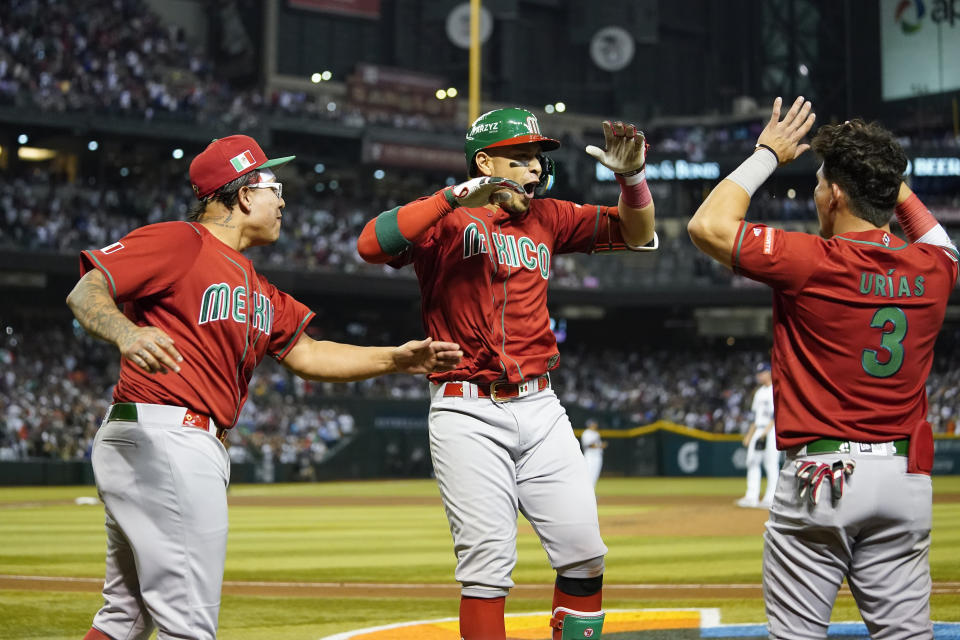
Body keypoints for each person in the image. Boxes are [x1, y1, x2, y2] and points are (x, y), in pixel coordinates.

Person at [67, 134, 463, 640]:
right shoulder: (181, 240)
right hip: (167, 436)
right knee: (188, 625)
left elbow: (310, 354)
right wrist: (126, 331)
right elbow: (87, 288)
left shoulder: (257, 285)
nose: (282, 200)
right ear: (243, 192)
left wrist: (394, 358)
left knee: (125, 616)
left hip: (164, 440)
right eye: (274, 187)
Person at [358, 107, 657, 640]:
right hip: (465, 408)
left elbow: (637, 233)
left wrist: (631, 179)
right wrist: (455, 196)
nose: (535, 169)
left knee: (585, 554)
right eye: (520, 158)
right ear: (484, 161)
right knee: (488, 571)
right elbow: (371, 244)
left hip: (540, 405)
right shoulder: (443, 217)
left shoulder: (550, 217)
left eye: (537, 159)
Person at [688, 97, 957, 639]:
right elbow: (936, 237)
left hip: (824, 477)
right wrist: (885, 176)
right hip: (905, 480)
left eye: (818, 186)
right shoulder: (935, 270)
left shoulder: (812, 260)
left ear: (834, 193)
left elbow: (708, 224)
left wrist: (768, 152)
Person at [737, 362, 778, 509]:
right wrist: (749, 435)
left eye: (762, 373)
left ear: (769, 373)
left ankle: (770, 498)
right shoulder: (759, 392)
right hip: (759, 429)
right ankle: (751, 497)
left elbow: (776, 415)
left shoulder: (775, 389)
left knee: (770, 464)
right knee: (752, 461)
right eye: (758, 373)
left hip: (771, 430)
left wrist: (765, 433)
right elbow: (755, 417)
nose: (759, 376)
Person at [580, 418, 607, 487]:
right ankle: (587, 494)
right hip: (590, 457)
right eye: (593, 424)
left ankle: (592, 494)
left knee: (595, 476)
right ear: (589, 425)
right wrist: (600, 445)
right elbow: (589, 445)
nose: (595, 425)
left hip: (598, 456)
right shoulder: (586, 433)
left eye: (595, 423)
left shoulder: (596, 433)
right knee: (589, 475)